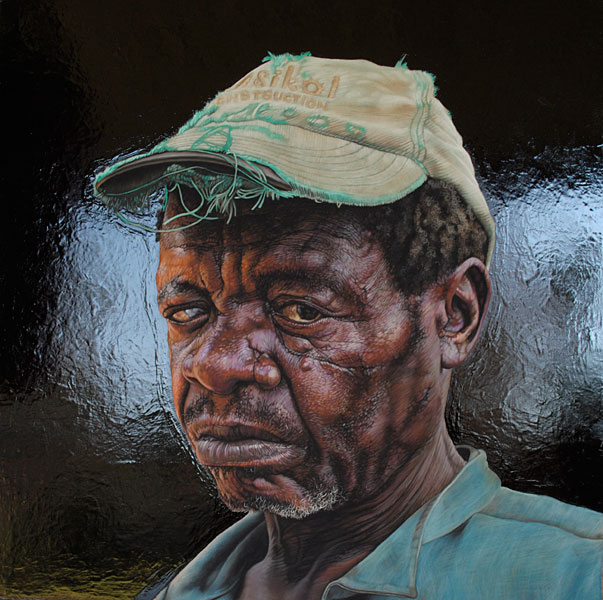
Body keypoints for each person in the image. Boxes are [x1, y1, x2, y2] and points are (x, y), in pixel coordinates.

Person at [94, 54, 603, 600]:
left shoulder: (577, 579)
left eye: (300, 310)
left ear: (455, 315)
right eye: (188, 312)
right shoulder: (175, 592)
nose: (213, 365)